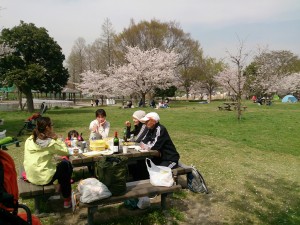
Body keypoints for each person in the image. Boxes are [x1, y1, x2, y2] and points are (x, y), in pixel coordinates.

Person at [23, 117, 73, 208]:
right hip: (44, 178)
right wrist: (57, 139)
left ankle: (59, 187)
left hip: (31, 176)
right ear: (47, 128)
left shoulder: (29, 140)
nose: (53, 127)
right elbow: (66, 152)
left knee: (57, 166)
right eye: (52, 125)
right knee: (66, 165)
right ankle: (66, 198)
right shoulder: (50, 143)